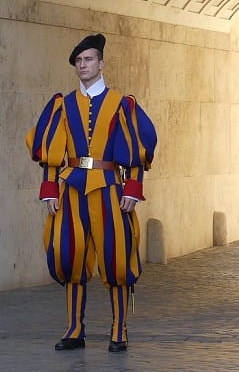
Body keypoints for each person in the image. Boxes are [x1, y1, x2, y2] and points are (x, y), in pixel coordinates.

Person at [25, 33, 157, 353]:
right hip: (71, 190)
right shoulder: (63, 104)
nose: (82, 66)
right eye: (78, 62)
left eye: (88, 60)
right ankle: (74, 329)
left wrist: (133, 188)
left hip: (110, 187)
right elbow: (52, 152)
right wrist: (49, 189)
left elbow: (136, 149)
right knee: (70, 255)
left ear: (101, 63)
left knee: (117, 258)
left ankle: (119, 329)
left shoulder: (121, 104)